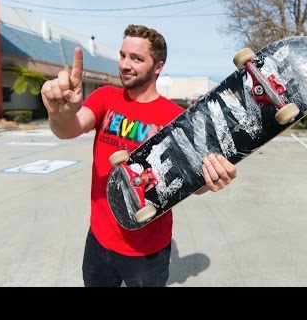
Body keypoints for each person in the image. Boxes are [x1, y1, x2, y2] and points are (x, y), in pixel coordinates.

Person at [40, 24, 237, 287]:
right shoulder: (106, 97)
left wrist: (211, 180)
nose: (124, 64)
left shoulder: (175, 118)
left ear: (158, 66)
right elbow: (68, 129)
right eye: (122, 55)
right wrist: (59, 113)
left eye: (136, 58)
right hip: (99, 239)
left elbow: (189, 182)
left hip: (148, 251)